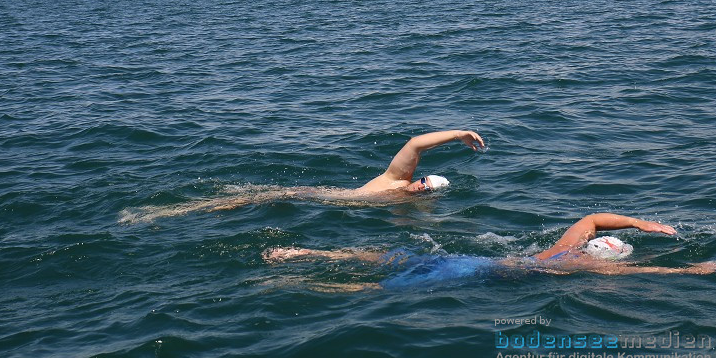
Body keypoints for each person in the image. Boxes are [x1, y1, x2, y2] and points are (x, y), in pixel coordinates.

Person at [263, 211, 716, 288]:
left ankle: (305, 255)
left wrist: (639, 222)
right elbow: (640, 276)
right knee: (374, 289)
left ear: (592, 246)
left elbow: (590, 218)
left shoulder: (563, 249)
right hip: (477, 274)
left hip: (470, 259)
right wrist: (692, 271)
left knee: (385, 258)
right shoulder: (582, 269)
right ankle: (309, 285)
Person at [119, 130, 485, 223]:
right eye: (424, 182)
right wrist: (457, 134)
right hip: (307, 194)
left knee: (240, 201)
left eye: (426, 190)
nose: (421, 187)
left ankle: (170, 214)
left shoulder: (402, 206)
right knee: (239, 201)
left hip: (312, 201)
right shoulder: (394, 182)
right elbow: (415, 144)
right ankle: (164, 213)